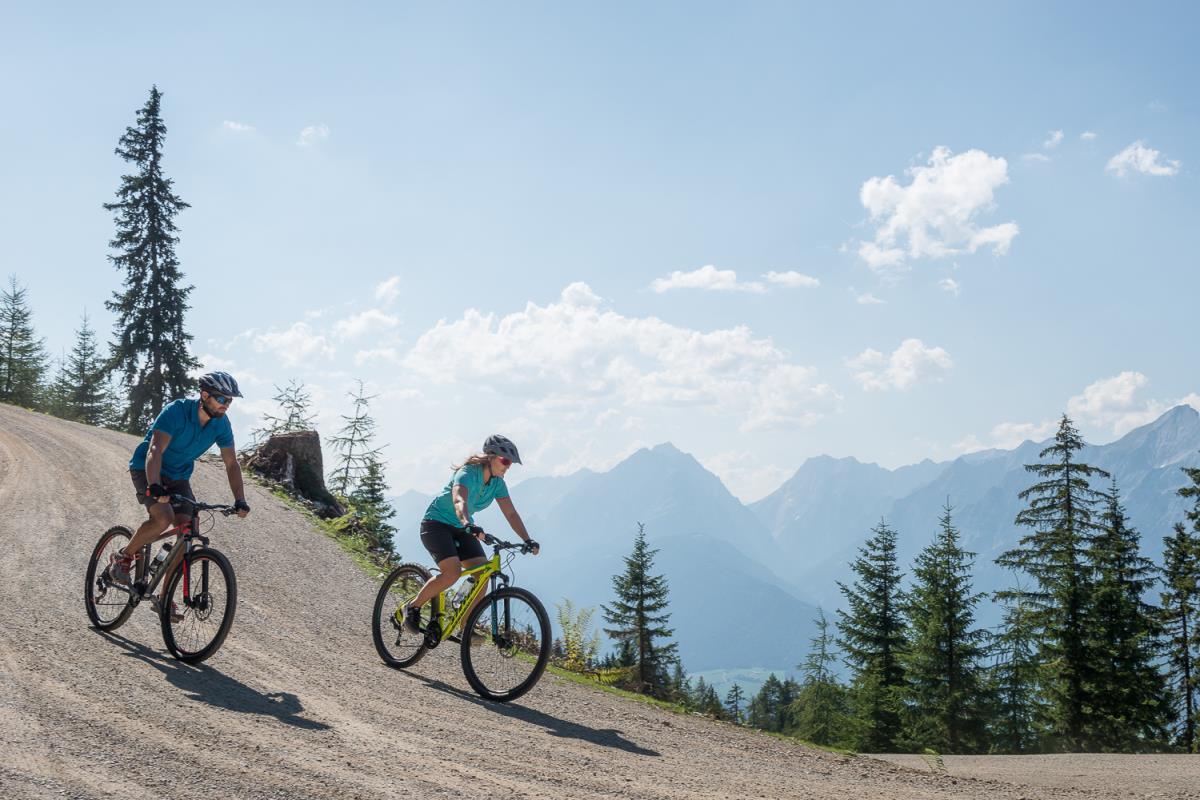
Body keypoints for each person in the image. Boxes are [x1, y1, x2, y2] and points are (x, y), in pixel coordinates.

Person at [108, 372, 251, 614]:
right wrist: (154, 485)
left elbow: (231, 464)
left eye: (230, 401)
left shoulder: (221, 424)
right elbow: (155, 449)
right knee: (162, 518)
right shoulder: (176, 411)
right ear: (204, 395)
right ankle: (124, 556)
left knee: (189, 529)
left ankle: (164, 598)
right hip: (148, 469)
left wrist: (240, 499)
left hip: (178, 476)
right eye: (221, 399)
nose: (226, 405)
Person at [402, 434, 539, 639]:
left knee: (482, 573)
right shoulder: (467, 473)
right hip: (436, 524)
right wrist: (468, 523)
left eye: (510, 463)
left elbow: (511, 513)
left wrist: (528, 539)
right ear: (491, 456)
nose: (508, 466)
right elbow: (459, 500)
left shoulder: (498, 484)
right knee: (452, 573)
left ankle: (465, 626)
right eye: (505, 460)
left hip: (462, 528)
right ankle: (412, 608)